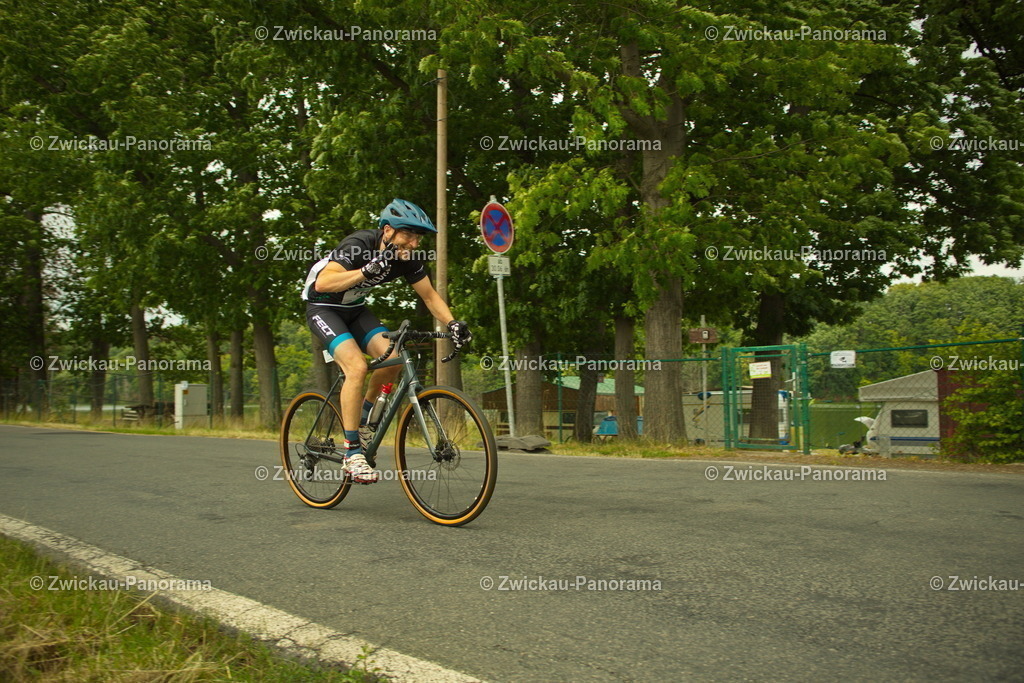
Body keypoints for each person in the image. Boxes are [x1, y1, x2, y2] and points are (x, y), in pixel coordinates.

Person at [302, 199, 471, 483]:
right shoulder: (359, 244)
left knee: (392, 357)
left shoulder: (408, 259)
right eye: (409, 235)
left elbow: (429, 296)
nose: (414, 243)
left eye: (418, 237)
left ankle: (365, 422)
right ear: (388, 231)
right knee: (355, 367)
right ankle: (352, 453)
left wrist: (452, 323)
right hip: (324, 307)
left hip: (355, 309)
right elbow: (323, 284)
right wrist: (366, 271)